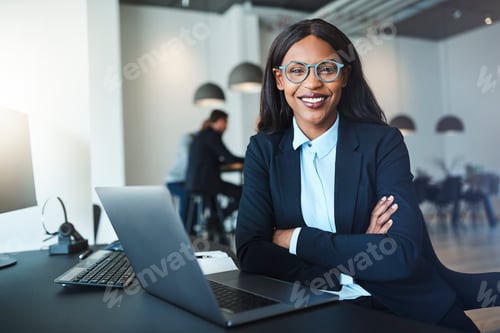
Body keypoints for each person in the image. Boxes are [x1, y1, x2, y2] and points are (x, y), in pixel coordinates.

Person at [236, 19, 499, 332]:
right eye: (297, 71)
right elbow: (252, 253)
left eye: (326, 69)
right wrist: (357, 255)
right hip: (313, 307)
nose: (312, 83)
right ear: (280, 80)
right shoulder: (264, 151)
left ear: (344, 75)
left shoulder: (383, 144)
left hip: (407, 303)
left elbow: (398, 254)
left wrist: (292, 237)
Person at [185, 109, 244, 243]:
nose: (226, 126)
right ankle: (217, 219)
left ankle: (215, 223)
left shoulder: (202, 135)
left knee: (218, 201)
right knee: (244, 193)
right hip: (207, 184)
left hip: (197, 183)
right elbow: (228, 157)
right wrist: (249, 159)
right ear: (220, 121)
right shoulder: (212, 135)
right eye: (226, 122)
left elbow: (216, 158)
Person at [165, 120, 209, 225]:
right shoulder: (188, 138)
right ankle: (184, 229)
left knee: (203, 194)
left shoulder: (204, 142)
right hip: (175, 180)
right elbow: (186, 159)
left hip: (189, 180)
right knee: (187, 195)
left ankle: (194, 228)